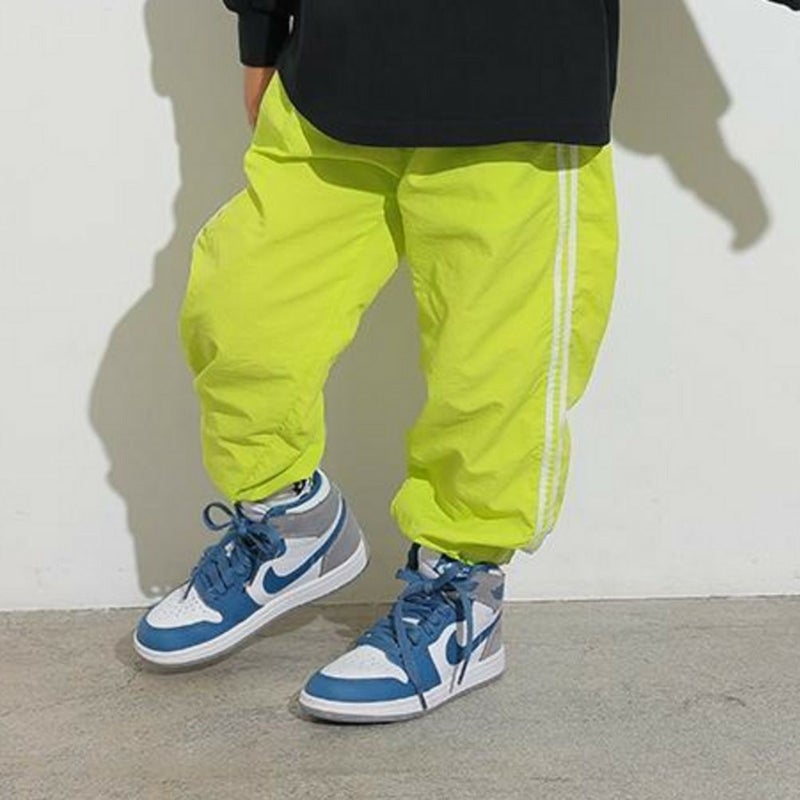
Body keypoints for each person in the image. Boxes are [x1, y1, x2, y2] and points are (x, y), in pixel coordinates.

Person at [132, 0, 799, 723]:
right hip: (333, 78)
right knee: (239, 310)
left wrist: (712, 157)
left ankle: (460, 594)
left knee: (492, 373)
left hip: (519, 93)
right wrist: (260, 31)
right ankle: (288, 523)